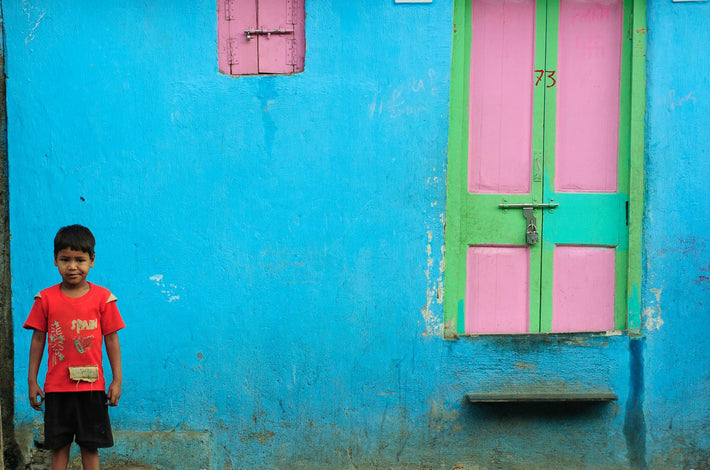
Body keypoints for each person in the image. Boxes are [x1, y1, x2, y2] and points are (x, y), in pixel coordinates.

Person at [24, 224, 125, 470]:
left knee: (90, 446)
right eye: (65, 259)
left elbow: (112, 339)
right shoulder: (45, 299)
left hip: (92, 387)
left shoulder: (104, 299)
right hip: (56, 389)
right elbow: (38, 339)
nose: (72, 266)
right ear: (55, 261)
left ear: (92, 260)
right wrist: (32, 380)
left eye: (80, 259)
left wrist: (117, 380)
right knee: (58, 446)